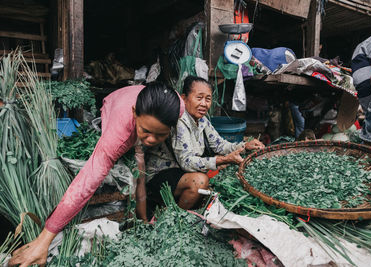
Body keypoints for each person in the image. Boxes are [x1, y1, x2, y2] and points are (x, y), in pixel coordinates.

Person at [9, 82, 184, 267]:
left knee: (140, 163)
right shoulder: (118, 136)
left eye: (161, 135)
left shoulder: (177, 107)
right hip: (114, 103)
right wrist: (44, 239)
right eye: (146, 132)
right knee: (127, 161)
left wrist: (145, 138)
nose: (152, 140)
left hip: (140, 95)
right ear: (134, 113)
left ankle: (142, 219)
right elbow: (86, 182)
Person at [146, 76, 265, 210]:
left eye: (208, 99)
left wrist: (244, 146)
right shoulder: (180, 120)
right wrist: (222, 160)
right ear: (184, 98)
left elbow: (220, 145)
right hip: (162, 174)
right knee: (200, 181)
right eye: (199, 97)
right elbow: (186, 162)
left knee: (217, 177)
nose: (204, 103)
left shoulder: (202, 120)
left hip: (182, 173)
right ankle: (177, 216)